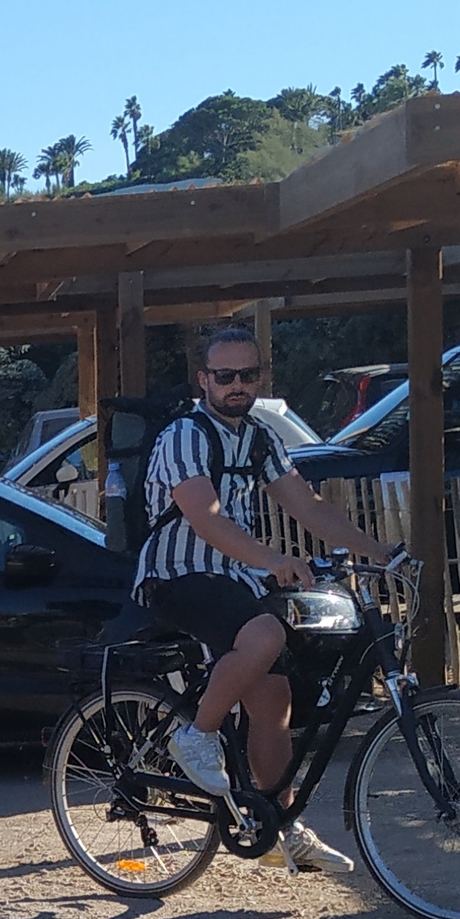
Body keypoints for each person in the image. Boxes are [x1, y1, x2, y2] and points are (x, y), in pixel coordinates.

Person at [136, 327, 392, 874]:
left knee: (274, 699)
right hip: (178, 575)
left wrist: (382, 551)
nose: (236, 386)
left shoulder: (259, 438)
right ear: (203, 380)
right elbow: (204, 519)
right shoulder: (184, 435)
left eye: (247, 375)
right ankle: (196, 737)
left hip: (235, 580)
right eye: (224, 376)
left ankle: (277, 824)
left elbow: (310, 506)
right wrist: (272, 561)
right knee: (266, 634)